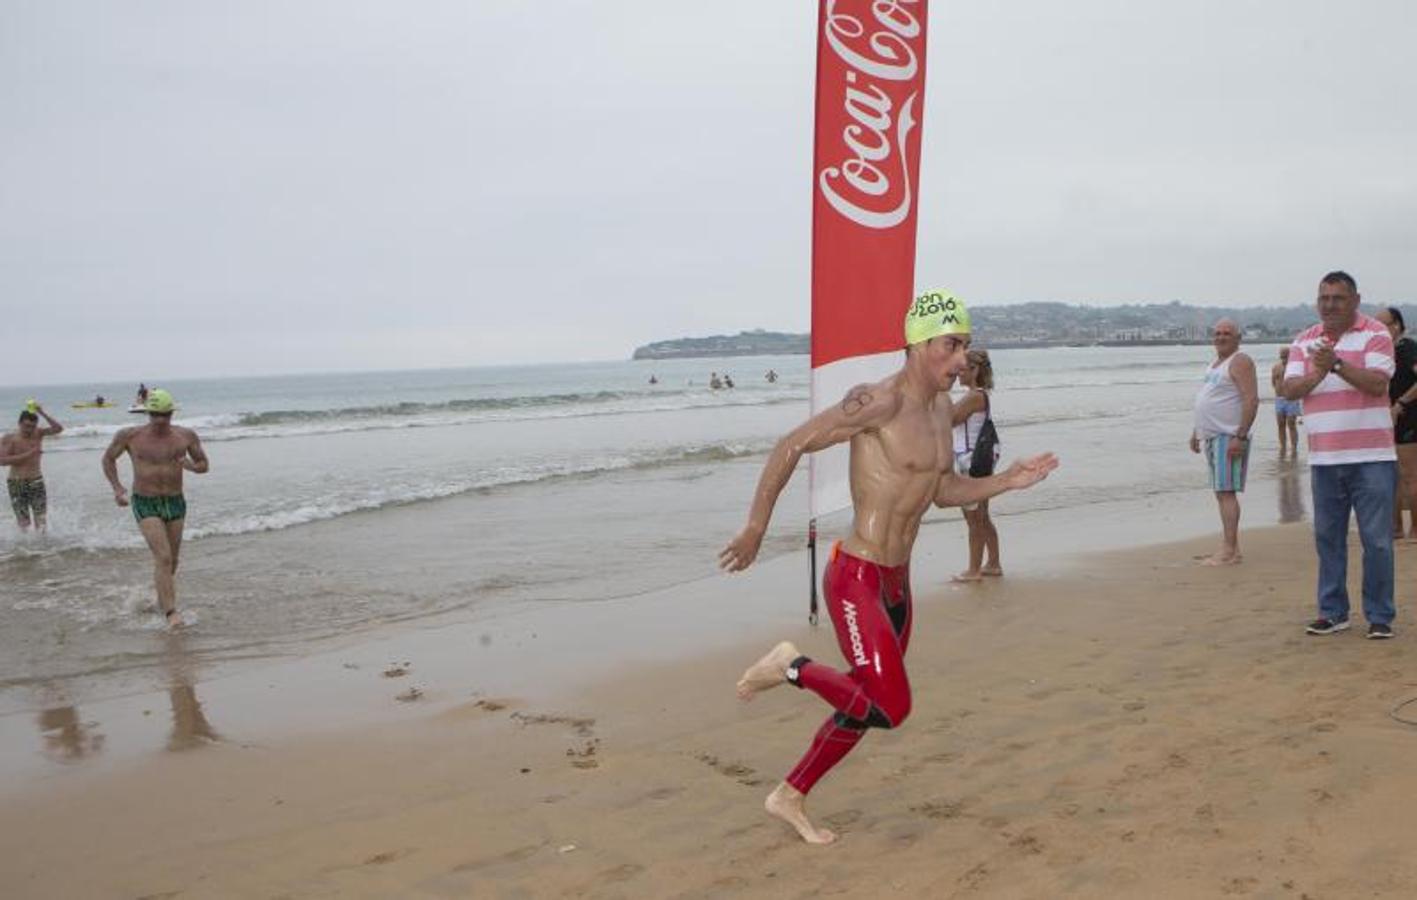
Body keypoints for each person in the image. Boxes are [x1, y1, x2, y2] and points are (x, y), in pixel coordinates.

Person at [720, 290, 1057, 844]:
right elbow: (791, 444)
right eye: (952, 345)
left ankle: (790, 795)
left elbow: (942, 491)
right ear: (919, 345)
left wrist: (1007, 481)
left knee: (864, 703)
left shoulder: (941, 410)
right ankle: (790, 666)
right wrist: (756, 526)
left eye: (966, 347)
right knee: (891, 706)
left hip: (897, 585)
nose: (962, 360)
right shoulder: (878, 403)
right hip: (856, 577)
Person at [1280, 271, 1397, 639]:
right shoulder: (1304, 340)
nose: (1329, 305)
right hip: (1325, 458)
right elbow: (1289, 388)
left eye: (1338, 298)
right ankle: (1333, 612)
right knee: (1328, 538)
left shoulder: (1376, 334)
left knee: (1377, 541)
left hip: (1372, 456)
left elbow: (1377, 384)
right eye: (1324, 298)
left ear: (1355, 300)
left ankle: (1380, 615)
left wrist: (1336, 364)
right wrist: (1319, 372)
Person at [101, 389, 210, 628]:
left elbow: (204, 464)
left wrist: (190, 466)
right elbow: (108, 459)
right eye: (155, 415)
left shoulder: (186, 436)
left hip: (175, 501)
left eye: (165, 415)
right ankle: (171, 613)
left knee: (172, 560)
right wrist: (117, 488)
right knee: (163, 556)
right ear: (148, 413)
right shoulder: (130, 436)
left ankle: (160, 599)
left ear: (171, 413)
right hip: (145, 501)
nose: (160, 420)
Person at [1188, 319, 1258, 565]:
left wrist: (1240, 436)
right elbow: (1210, 398)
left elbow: (1251, 399)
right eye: (1217, 333)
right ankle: (1232, 549)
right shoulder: (1216, 364)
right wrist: (1197, 431)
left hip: (1228, 437)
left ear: (1238, 338)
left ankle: (1228, 551)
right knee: (1221, 492)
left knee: (1226, 493)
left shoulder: (1240, 361)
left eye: (1227, 333)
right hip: (1212, 436)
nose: (1221, 337)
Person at [950, 349, 1002, 582]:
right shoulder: (980, 395)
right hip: (979, 461)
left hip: (970, 463)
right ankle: (993, 563)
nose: (958, 373)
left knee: (974, 519)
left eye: (962, 369)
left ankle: (974, 570)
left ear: (974, 370)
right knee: (982, 516)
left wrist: (936, 396)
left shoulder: (974, 397)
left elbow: (950, 419)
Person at [1375, 307, 1417, 539]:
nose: (1378, 329)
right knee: (1392, 476)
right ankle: (1396, 528)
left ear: (1397, 326)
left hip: (1408, 418)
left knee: (1409, 475)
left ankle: (1415, 529)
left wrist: (1400, 404)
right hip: (1387, 420)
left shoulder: (1406, 347)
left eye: (1383, 324)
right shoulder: (1385, 352)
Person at [0, 403, 64, 532]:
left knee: (41, 518)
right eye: (26, 426)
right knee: (23, 521)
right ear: (19, 423)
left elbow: (58, 428)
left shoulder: (38, 433)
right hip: (16, 482)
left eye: (32, 426)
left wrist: (42, 412)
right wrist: (29, 454)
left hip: (36, 480)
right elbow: (2, 461)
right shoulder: (9, 438)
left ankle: (43, 544)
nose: (29, 430)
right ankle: (25, 545)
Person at [1272, 348, 1302, 458]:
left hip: (1292, 399)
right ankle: (1283, 447)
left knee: (1291, 423)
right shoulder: (1276, 367)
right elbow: (1273, 382)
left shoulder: (1294, 369)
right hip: (1279, 399)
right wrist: (1278, 391)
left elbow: (1300, 383)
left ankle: (1294, 448)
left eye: (1286, 357)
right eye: (1282, 357)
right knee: (1280, 424)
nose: (1284, 359)